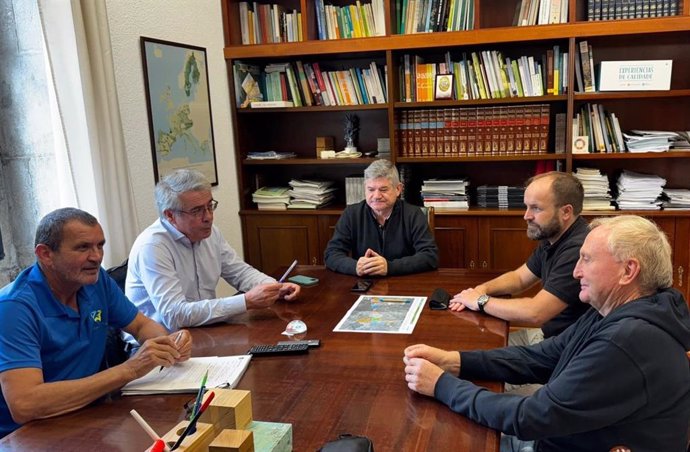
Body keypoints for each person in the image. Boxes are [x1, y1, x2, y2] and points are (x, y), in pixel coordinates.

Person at [404, 215, 690, 451]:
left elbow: (531, 416)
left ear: (628, 271)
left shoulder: (629, 341)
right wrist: (455, 361)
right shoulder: (615, 311)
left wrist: (442, 385)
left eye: (587, 260)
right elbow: (542, 357)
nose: (576, 272)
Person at [0, 208, 191, 438]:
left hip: (89, 414)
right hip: (31, 434)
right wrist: (130, 369)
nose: (97, 256)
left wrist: (166, 343)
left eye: (100, 245)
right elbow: (24, 405)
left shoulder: (96, 281)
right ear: (45, 254)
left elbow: (141, 325)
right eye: (83, 247)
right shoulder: (13, 308)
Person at [126, 169, 300, 333]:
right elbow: (174, 315)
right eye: (197, 211)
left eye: (210, 206)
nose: (208, 217)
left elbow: (239, 272)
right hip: (159, 344)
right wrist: (246, 301)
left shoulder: (210, 233)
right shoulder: (153, 247)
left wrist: (273, 286)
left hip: (203, 330)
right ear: (170, 215)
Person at [450, 171, 590, 345]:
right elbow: (519, 278)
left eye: (536, 208)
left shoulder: (578, 250)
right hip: (548, 338)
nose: (526, 216)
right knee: (473, 347)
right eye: (526, 207)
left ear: (566, 212)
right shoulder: (554, 236)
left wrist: (480, 301)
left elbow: (536, 312)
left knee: (473, 354)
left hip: (563, 351)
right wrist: (481, 289)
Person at [324, 159, 438, 277]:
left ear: (398, 189)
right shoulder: (352, 214)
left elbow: (430, 256)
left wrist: (390, 267)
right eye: (371, 190)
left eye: (383, 190)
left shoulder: (413, 214)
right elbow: (331, 254)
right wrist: (355, 267)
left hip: (403, 282)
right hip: (365, 283)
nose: (376, 196)